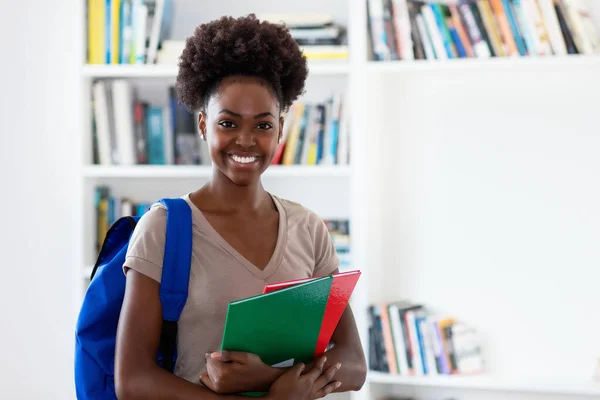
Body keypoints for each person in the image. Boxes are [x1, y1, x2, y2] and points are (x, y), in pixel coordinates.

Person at [114, 14, 366, 400]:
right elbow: (132, 380)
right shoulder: (163, 229)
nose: (245, 141)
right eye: (228, 124)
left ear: (280, 130)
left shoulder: (308, 228)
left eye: (263, 126)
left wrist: (264, 379)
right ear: (202, 125)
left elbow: (354, 364)